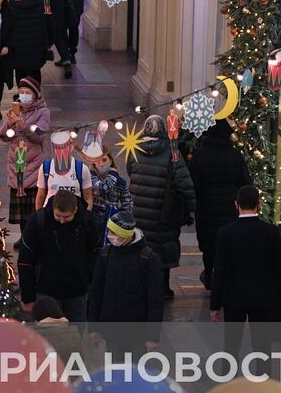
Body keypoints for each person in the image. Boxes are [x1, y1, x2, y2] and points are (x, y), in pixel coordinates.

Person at [209, 186, 281, 371]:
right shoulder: (270, 232)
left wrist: (215, 304)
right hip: (262, 298)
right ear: (258, 205)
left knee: (231, 345)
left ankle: (227, 382)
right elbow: (280, 267)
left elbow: (219, 270)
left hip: (234, 297)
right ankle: (263, 383)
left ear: (236, 205)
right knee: (262, 345)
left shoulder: (226, 233)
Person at [129, 115, 196, 299]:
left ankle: (142, 284)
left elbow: (130, 169)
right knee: (162, 247)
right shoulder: (172, 152)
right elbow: (183, 182)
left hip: (140, 209)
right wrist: (191, 207)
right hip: (163, 209)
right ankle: (163, 288)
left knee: (142, 245)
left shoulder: (134, 147)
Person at [187, 119, 251, 289]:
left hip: (206, 208)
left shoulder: (200, 155)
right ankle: (225, 280)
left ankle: (209, 274)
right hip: (229, 210)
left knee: (209, 246)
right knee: (227, 246)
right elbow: (245, 182)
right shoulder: (235, 155)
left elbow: (193, 183)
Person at [87, 210, 163, 342]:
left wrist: (152, 337)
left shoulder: (149, 259)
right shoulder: (106, 255)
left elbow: (155, 300)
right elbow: (96, 292)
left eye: (113, 233)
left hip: (137, 333)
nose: (109, 236)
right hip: (110, 331)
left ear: (125, 235)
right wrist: (93, 328)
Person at [18, 190, 94, 322]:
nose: (62, 221)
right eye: (58, 216)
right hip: (46, 291)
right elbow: (25, 261)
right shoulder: (37, 221)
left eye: (67, 217)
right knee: (48, 336)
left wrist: (89, 281)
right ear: (53, 208)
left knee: (76, 337)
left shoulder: (85, 220)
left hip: (77, 292)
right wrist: (27, 298)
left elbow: (95, 252)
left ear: (75, 210)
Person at [4, 76, 50, 226]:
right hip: (17, 161)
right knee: (20, 208)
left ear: (35, 94)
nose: (23, 95)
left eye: (27, 92)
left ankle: (32, 236)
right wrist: (9, 124)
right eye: (21, 91)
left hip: (34, 161)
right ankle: (24, 235)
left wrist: (23, 125)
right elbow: (2, 136)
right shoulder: (15, 110)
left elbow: (39, 135)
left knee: (33, 205)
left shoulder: (43, 112)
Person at [7, 0, 51, 86]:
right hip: (37, 45)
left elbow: (8, 26)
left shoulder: (13, 4)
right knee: (35, 71)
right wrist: (48, 42)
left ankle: (23, 95)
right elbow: (49, 24)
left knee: (20, 71)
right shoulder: (42, 4)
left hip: (18, 46)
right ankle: (35, 95)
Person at [36, 130, 93, 211]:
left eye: (64, 146)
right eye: (57, 147)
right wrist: (39, 218)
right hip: (50, 215)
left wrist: (86, 217)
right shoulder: (46, 167)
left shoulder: (81, 168)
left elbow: (88, 197)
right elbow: (40, 196)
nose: (61, 151)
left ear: (71, 146)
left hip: (74, 215)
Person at [88, 146, 133, 246]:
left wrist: (120, 219)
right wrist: (113, 174)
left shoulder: (120, 182)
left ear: (110, 160)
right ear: (93, 162)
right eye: (97, 160)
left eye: (104, 160)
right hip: (93, 224)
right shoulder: (90, 177)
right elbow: (103, 189)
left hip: (112, 226)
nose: (101, 164)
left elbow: (128, 203)